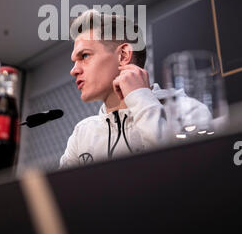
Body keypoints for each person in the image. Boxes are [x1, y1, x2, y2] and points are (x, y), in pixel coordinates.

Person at [59, 10, 211, 168]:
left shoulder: (187, 111)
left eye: (84, 56)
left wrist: (141, 99)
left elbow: (186, 173)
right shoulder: (82, 134)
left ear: (123, 55)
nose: (74, 70)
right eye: (74, 61)